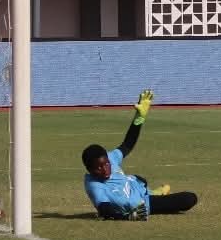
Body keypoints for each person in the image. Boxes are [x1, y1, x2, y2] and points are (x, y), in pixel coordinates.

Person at [81, 89, 199, 219]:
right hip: (144, 203)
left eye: (106, 164)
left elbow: (127, 145)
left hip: (139, 187)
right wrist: (129, 216)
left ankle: (154, 192)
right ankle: (157, 194)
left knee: (140, 179)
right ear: (89, 170)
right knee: (189, 199)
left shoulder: (111, 158)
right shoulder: (94, 185)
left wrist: (139, 118)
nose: (105, 169)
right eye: (98, 167)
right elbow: (105, 210)